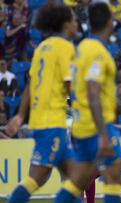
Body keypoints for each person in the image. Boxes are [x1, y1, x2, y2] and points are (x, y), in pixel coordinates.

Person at [52, 3, 121, 203]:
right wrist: (104, 135)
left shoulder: (83, 48)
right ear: (110, 21)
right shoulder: (98, 52)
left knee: (79, 181)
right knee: (113, 176)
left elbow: (102, 95)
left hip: (81, 127)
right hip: (96, 128)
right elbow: (93, 91)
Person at [5, 5, 78, 203]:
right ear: (65, 24)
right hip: (52, 122)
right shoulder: (65, 47)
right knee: (36, 178)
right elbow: (71, 84)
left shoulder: (42, 48)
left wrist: (21, 115)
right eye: (73, 20)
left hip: (44, 121)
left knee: (74, 180)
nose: (76, 23)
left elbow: (30, 83)